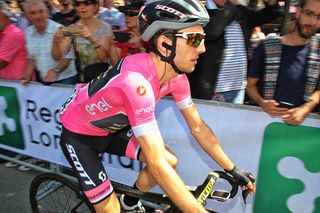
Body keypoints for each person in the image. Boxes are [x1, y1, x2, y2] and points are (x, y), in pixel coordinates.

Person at [58, 0, 256, 212]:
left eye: (203, 38)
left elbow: (198, 128)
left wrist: (233, 169)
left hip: (112, 129)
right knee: (110, 209)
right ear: (164, 44)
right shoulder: (136, 83)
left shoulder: (177, 78)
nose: (203, 48)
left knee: (169, 159)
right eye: (194, 39)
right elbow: (156, 164)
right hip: (80, 137)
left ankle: (130, 201)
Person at [187, 0, 282, 102]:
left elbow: (273, 13)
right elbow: (213, 32)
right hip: (212, 91)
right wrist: (231, 6)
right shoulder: (198, 11)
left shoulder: (239, 12)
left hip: (238, 89)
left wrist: (270, 2)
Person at [246, 0, 320, 126]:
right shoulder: (267, 46)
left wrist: (306, 108)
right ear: (298, 12)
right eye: (308, 13)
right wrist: (263, 102)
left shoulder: (318, 49)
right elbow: (250, 86)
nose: (313, 22)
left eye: (319, 17)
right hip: (265, 125)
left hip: (305, 128)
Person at [52, 0, 113, 83]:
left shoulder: (105, 27)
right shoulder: (72, 28)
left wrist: (91, 39)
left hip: (101, 78)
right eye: (78, 4)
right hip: (83, 79)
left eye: (87, 3)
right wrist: (55, 42)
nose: (82, 7)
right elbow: (57, 57)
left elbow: (104, 58)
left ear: (95, 6)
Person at [20, 0, 78, 85]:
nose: (38, 16)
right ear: (26, 16)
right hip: (43, 80)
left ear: (47, 12)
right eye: (33, 13)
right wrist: (27, 76)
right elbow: (31, 58)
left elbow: (68, 57)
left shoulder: (63, 29)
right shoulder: (27, 32)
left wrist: (56, 70)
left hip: (65, 79)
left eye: (41, 11)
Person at [0, 1, 27, 80]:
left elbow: (1, 62)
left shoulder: (14, 34)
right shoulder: (2, 33)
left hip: (19, 87)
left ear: (7, 18)